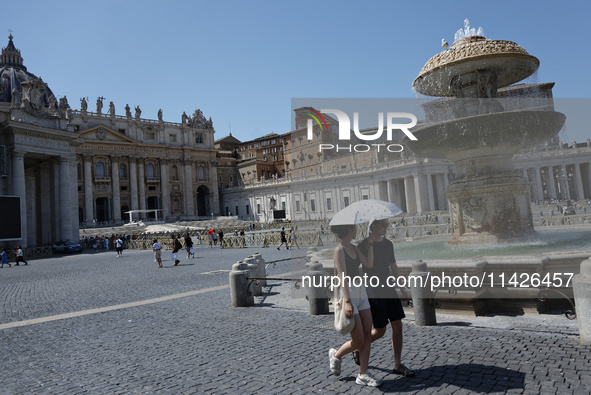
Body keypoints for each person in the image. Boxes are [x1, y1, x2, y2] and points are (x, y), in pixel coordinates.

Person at [356, 219, 415, 377]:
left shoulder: (388, 244)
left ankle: (397, 364)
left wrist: (401, 286)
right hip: (374, 291)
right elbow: (357, 267)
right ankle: (358, 347)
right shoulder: (363, 245)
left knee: (398, 325)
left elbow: (393, 266)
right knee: (380, 331)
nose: (386, 228)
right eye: (383, 225)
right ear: (373, 227)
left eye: (386, 225)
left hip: (389, 288)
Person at [328, 224, 381, 387]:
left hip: (361, 291)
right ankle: (336, 355)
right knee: (358, 341)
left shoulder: (355, 247)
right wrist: (348, 302)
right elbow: (341, 275)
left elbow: (369, 264)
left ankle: (363, 374)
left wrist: (371, 246)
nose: (356, 230)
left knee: (367, 336)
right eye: (353, 228)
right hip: (349, 293)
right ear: (347, 230)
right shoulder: (339, 250)